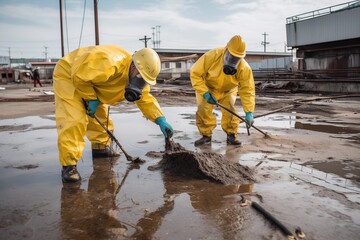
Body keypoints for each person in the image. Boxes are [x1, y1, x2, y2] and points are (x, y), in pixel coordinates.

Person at [53, 45, 173, 183]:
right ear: (133, 66)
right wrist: (91, 98)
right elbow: (79, 76)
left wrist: (160, 119)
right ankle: (69, 166)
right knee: (74, 119)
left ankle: (100, 148)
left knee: (101, 116)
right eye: (141, 78)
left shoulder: (138, 80)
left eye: (145, 81)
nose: (141, 83)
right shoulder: (109, 62)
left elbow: (145, 100)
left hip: (91, 82)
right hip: (69, 74)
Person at [190, 35, 255, 146]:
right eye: (231, 57)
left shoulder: (244, 68)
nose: (233, 60)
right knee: (203, 109)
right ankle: (206, 136)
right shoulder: (212, 55)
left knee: (230, 109)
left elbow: (247, 89)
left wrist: (249, 112)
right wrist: (205, 93)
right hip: (208, 87)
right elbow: (195, 73)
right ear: (226, 49)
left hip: (228, 90)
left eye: (236, 58)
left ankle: (231, 135)